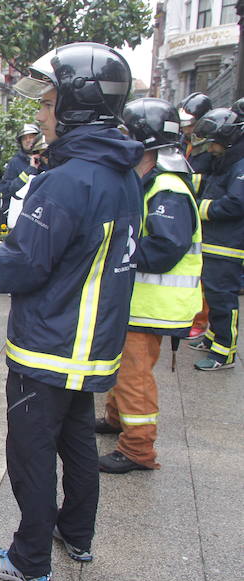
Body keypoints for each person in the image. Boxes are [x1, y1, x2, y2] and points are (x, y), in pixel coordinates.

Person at [0, 42, 142, 581]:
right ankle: (77, 534)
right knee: (77, 447)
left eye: (48, 103)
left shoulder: (67, 180)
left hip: (48, 346)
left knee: (29, 454)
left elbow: (21, 270)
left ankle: (29, 562)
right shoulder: (119, 173)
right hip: (90, 348)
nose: (41, 115)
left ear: (75, 106)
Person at [96, 98, 202, 473]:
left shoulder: (167, 189)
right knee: (121, 367)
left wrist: (113, 245)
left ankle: (138, 449)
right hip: (138, 301)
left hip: (151, 305)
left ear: (142, 143)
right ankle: (115, 419)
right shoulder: (150, 182)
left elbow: (163, 250)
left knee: (133, 374)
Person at [187, 108, 244, 370]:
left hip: (228, 245)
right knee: (214, 293)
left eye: (214, 141)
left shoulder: (239, 165)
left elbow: (236, 203)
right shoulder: (228, 162)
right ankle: (213, 339)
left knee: (222, 298)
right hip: (216, 242)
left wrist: (199, 208)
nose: (210, 148)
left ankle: (225, 353)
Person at [178, 93, 214, 339]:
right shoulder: (186, 144)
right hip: (190, 213)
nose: (187, 128)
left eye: (191, 124)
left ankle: (201, 321)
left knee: (205, 275)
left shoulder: (212, 150)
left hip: (206, 218)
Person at [1, 124, 43, 210]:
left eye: (31, 137)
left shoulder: (47, 158)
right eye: (24, 138)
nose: (28, 140)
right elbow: (7, 190)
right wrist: (30, 170)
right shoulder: (15, 162)